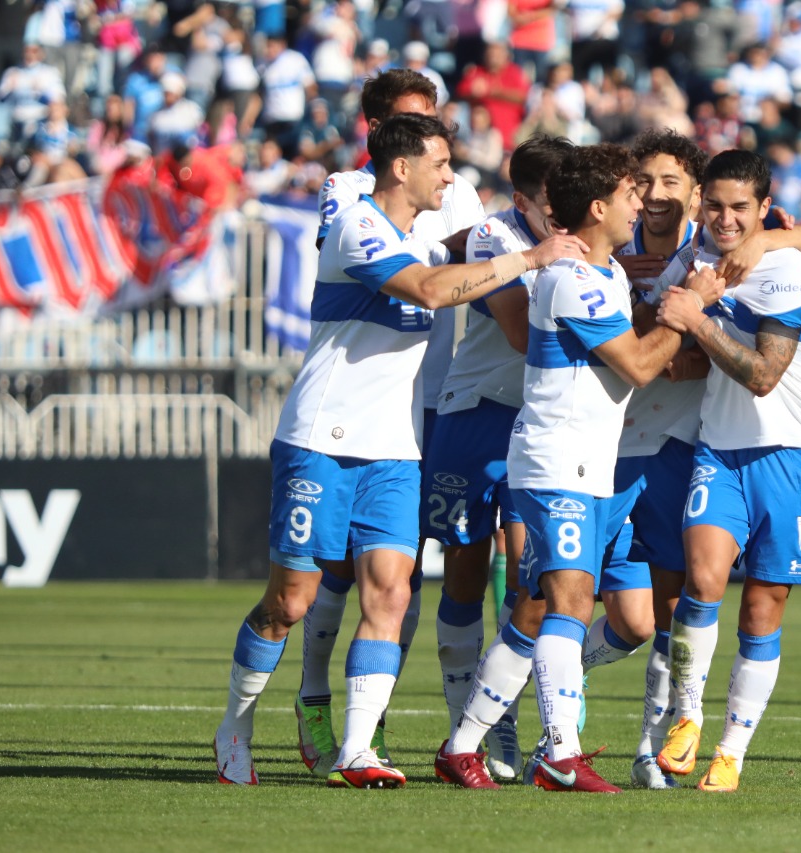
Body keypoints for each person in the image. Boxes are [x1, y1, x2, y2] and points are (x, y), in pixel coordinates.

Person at [212, 112, 587, 787]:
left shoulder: (424, 237)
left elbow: (466, 248)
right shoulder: (357, 224)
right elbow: (429, 289)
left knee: (389, 593)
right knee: (289, 600)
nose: (451, 175)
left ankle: (358, 751)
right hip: (322, 438)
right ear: (401, 167)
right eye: (442, 163)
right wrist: (528, 257)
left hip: (395, 449)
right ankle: (235, 725)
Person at [505, 143, 724, 793]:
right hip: (561, 459)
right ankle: (555, 748)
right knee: (560, 603)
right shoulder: (573, 274)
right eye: (635, 190)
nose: (645, 200)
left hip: (605, 458)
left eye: (662, 185)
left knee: (627, 617)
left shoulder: (607, 273)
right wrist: (687, 315)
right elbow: (635, 361)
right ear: (601, 206)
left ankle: (546, 716)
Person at [615, 129, 801, 789]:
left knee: (761, 607)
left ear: (765, 207)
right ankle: (686, 718)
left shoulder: (788, 270)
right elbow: (659, 330)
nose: (727, 219)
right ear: (702, 205)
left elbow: (763, 374)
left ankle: (732, 751)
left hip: (792, 457)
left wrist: (700, 318)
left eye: (742, 208)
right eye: (716, 207)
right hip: (719, 450)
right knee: (701, 584)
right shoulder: (697, 259)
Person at [297, 68, 487, 778]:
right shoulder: (347, 192)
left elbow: (488, 250)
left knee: (407, 574)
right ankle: (315, 691)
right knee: (337, 572)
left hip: (441, 399)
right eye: (413, 120)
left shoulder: (456, 188)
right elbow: (429, 280)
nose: (433, 135)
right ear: (380, 136)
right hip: (366, 405)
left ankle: (376, 728)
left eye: (434, 118)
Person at [423, 134, 575, 785]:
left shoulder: (579, 237)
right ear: (522, 201)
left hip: (536, 426)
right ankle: (469, 725)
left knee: (530, 584)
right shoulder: (493, 237)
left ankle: (492, 723)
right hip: (475, 414)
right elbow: (520, 334)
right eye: (552, 205)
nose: (566, 217)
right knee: (462, 577)